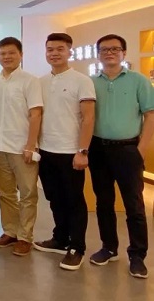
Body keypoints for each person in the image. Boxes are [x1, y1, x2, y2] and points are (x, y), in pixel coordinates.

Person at [88, 34, 154, 279]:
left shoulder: (138, 81)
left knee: (134, 205)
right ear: (98, 54)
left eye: (115, 49)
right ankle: (108, 247)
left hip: (128, 150)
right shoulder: (91, 83)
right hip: (98, 149)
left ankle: (137, 255)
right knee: (103, 202)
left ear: (123, 53)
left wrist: (141, 149)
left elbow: (150, 115)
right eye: (104, 49)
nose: (109, 53)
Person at [34, 33, 95, 271]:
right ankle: (60, 238)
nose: (54, 53)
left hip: (71, 151)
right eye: (50, 49)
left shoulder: (82, 81)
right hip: (46, 150)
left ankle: (77, 247)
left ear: (69, 51)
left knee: (74, 200)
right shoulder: (41, 82)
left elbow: (88, 118)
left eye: (60, 49)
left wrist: (83, 151)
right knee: (54, 198)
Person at [0, 36, 43, 256]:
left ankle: (25, 236)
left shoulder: (30, 81)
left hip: (22, 148)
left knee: (28, 193)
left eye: (11, 53)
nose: (7, 57)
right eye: (3, 53)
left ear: (21, 55)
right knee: (5, 192)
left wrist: (31, 145)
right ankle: (10, 231)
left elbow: (36, 114)